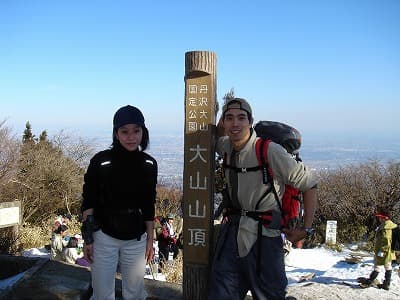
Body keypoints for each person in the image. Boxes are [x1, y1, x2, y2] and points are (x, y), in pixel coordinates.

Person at [208, 98, 318, 300]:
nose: (235, 124)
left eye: (241, 118)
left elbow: (309, 183)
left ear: (250, 122)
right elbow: (215, 137)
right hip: (232, 234)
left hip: (264, 238)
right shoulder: (226, 147)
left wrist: (306, 228)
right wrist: (217, 113)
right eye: (229, 118)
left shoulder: (268, 150)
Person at [81, 105, 158, 300]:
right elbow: (88, 200)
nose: (131, 136)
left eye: (136, 131)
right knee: (101, 292)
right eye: (125, 131)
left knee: (135, 292)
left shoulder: (149, 164)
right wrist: (88, 238)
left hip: (136, 238)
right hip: (103, 236)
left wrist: (150, 238)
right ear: (116, 133)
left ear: (143, 132)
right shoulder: (101, 161)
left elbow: (149, 203)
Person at [359, 207, 397, 290]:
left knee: (377, 266)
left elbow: (386, 240)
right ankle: (386, 284)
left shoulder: (385, 227)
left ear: (384, 218)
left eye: (380, 217)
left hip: (384, 251)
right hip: (389, 251)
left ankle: (369, 282)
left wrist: (382, 251)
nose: (379, 218)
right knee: (388, 266)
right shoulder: (390, 225)